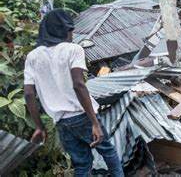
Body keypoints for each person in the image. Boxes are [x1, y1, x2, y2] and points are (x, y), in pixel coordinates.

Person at [23, 9, 124, 177]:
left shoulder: (32, 57)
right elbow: (78, 84)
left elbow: (28, 94)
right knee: (108, 152)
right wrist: (95, 123)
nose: (72, 34)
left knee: (82, 164)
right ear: (64, 30)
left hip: (61, 122)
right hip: (82, 115)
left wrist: (39, 126)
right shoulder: (73, 49)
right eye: (71, 30)